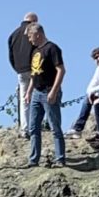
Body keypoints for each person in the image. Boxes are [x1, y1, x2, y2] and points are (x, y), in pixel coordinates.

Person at [24, 20, 67, 168]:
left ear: (37, 34)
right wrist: (29, 92)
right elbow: (34, 74)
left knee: (54, 125)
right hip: (36, 91)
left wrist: (54, 91)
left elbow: (61, 70)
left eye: (30, 35)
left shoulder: (52, 48)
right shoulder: (35, 51)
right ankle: (33, 159)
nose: (29, 39)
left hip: (49, 91)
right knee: (33, 127)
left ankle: (60, 158)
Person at [8, 11, 39, 117]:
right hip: (33, 68)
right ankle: (35, 126)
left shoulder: (13, 35)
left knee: (24, 100)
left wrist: (17, 68)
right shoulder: (33, 32)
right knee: (37, 98)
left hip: (20, 70)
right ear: (33, 21)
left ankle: (24, 128)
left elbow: (11, 56)